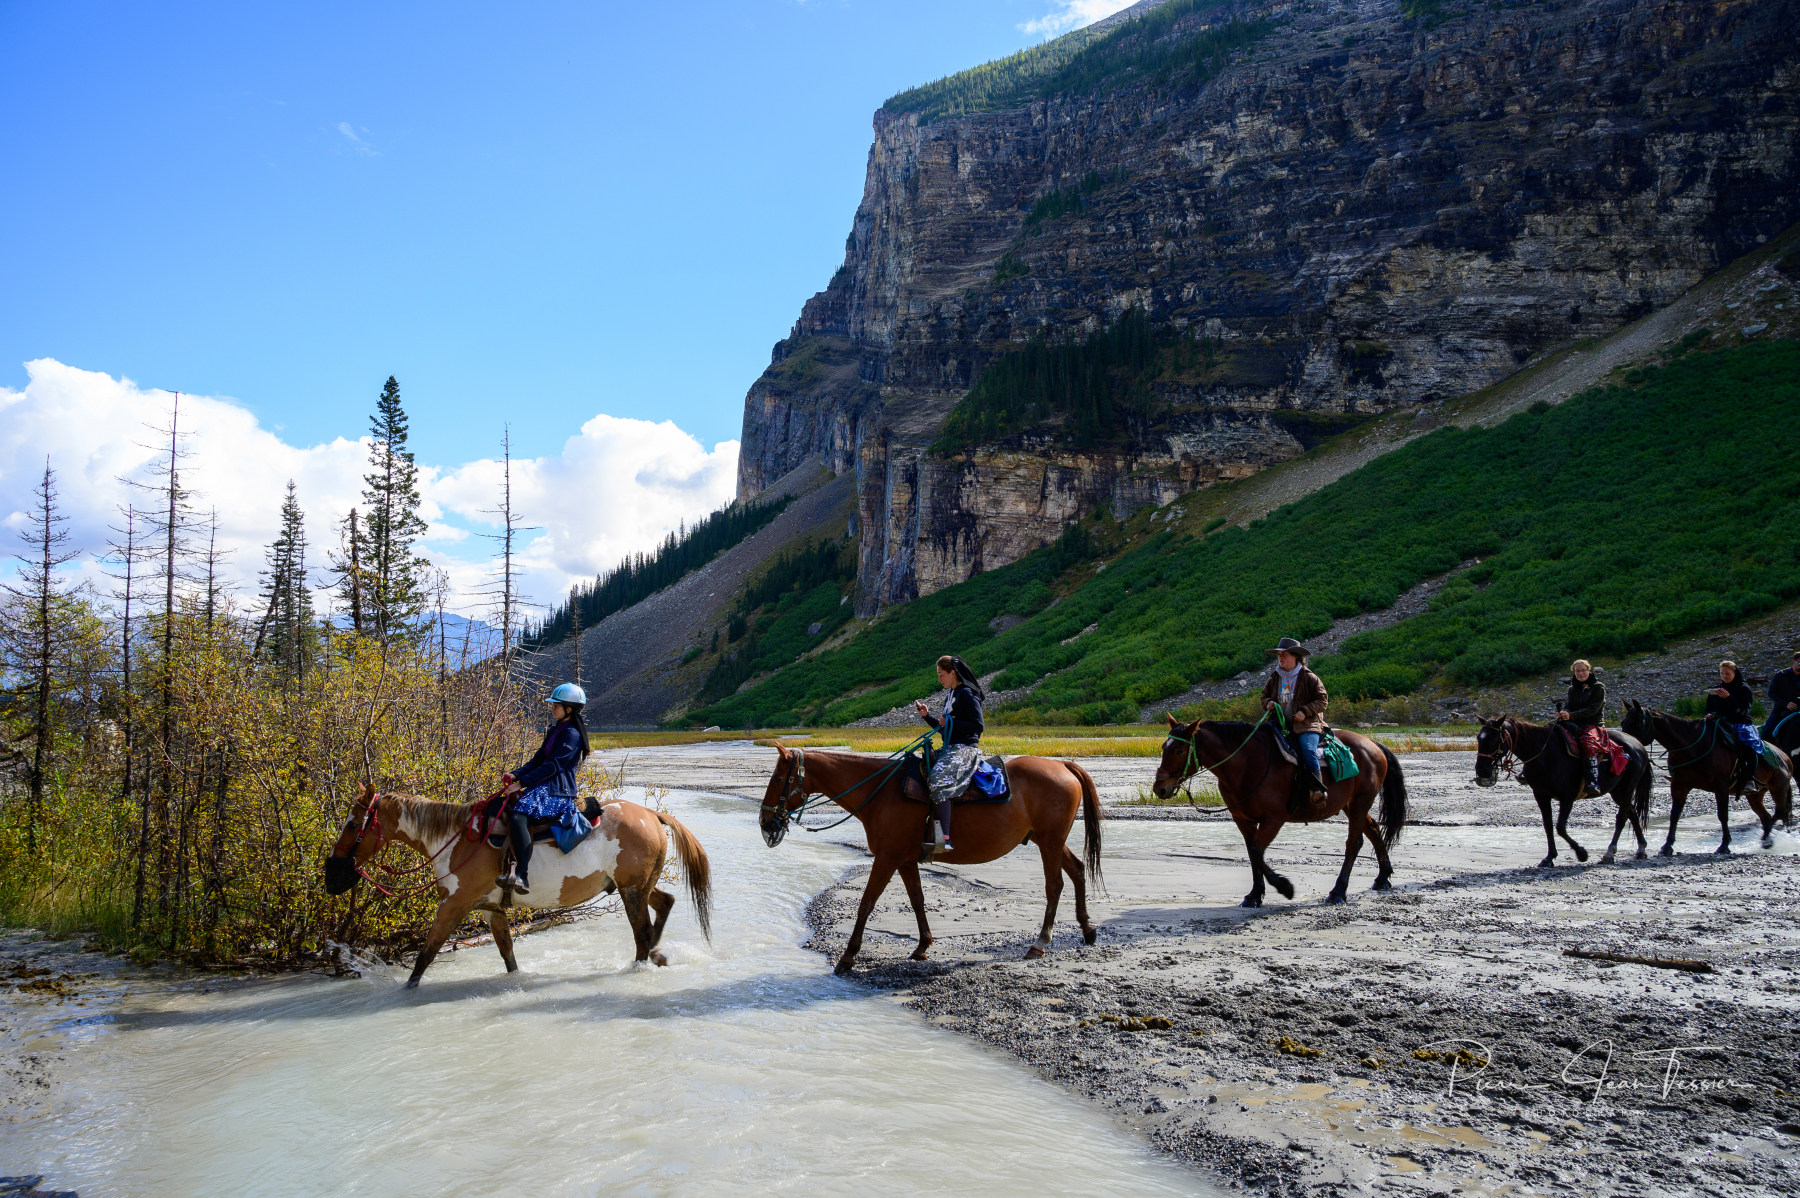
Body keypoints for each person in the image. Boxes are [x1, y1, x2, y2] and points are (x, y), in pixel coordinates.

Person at [497, 683, 591, 895]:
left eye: (556, 705)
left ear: (569, 709)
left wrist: (521, 784)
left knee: (519, 818)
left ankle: (521, 876)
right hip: (542, 786)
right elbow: (537, 760)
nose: (552, 708)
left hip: (557, 790)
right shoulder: (555, 730)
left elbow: (553, 766)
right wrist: (516, 775)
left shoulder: (572, 735)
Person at [913, 655, 984, 858]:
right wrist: (927, 717)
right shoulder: (951, 695)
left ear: (953, 673)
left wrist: (951, 722)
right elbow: (945, 729)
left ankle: (944, 838)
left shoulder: (967, 694)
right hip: (950, 747)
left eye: (941, 675)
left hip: (965, 749)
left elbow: (978, 726)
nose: (939, 679)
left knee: (937, 780)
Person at [1261, 637, 1328, 802]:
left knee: (1307, 749)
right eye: (1279, 655)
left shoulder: (1309, 677)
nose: (1280, 657)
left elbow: (1322, 700)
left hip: (1306, 725)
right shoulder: (1275, 677)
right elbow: (1264, 696)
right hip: (1279, 723)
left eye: (1284, 654)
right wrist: (1268, 703)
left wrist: (1305, 711)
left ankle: (1318, 789)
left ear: (1295, 656)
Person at [1704, 661, 1759, 790]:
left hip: (1741, 723)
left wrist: (1728, 698)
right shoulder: (1715, 690)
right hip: (1720, 722)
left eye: (1727, 673)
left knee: (1749, 746)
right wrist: (1709, 715)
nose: (1724, 676)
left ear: (1735, 673)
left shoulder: (1743, 688)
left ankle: (1750, 779)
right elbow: (1708, 708)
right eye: (1722, 673)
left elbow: (1744, 710)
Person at [1557, 659, 1608, 797]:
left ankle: (1593, 781)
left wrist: (1571, 715)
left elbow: (1592, 709)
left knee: (1587, 743)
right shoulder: (1572, 689)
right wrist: (1564, 713)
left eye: (1583, 670)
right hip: (1574, 723)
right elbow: (1568, 706)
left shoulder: (1598, 687)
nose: (1581, 673)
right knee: (1551, 733)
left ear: (1589, 671)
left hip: (1593, 724)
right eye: (1577, 671)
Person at [1762, 650, 1800, 746]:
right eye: (1799, 663)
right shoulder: (1781, 675)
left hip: (1798, 711)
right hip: (1780, 710)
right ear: (1793, 662)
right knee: (1767, 731)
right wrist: (1785, 704)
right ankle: (1766, 753)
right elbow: (1771, 693)